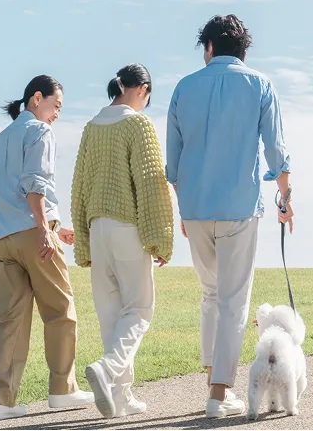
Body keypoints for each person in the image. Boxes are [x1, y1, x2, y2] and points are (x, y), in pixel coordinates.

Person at [166, 14, 295, 418]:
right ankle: (218, 395)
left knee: (210, 295)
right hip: (239, 206)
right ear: (244, 50)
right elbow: (275, 148)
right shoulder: (260, 85)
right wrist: (285, 194)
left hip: (196, 207)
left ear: (208, 48)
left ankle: (213, 385)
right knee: (233, 301)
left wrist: (183, 205)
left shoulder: (184, 88)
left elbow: (174, 158)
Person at [0, 74, 94, 421]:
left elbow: (13, 192)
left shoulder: (2, 137)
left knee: (9, 320)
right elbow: (34, 183)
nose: (57, 114)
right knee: (60, 310)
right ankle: (63, 389)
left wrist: (55, 228)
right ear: (36, 98)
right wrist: (45, 228)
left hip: (1, 239)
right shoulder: (40, 132)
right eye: (56, 105)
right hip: (34, 234)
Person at [71, 64, 174, 419]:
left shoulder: (90, 128)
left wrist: (82, 242)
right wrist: (160, 237)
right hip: (127, 227)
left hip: (96, 229)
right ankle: (109, 368)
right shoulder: (138, 124)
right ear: (142, 89)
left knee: (111, 315)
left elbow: (78, 187)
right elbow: (150, 183)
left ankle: (120, 397)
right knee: (140, 309)